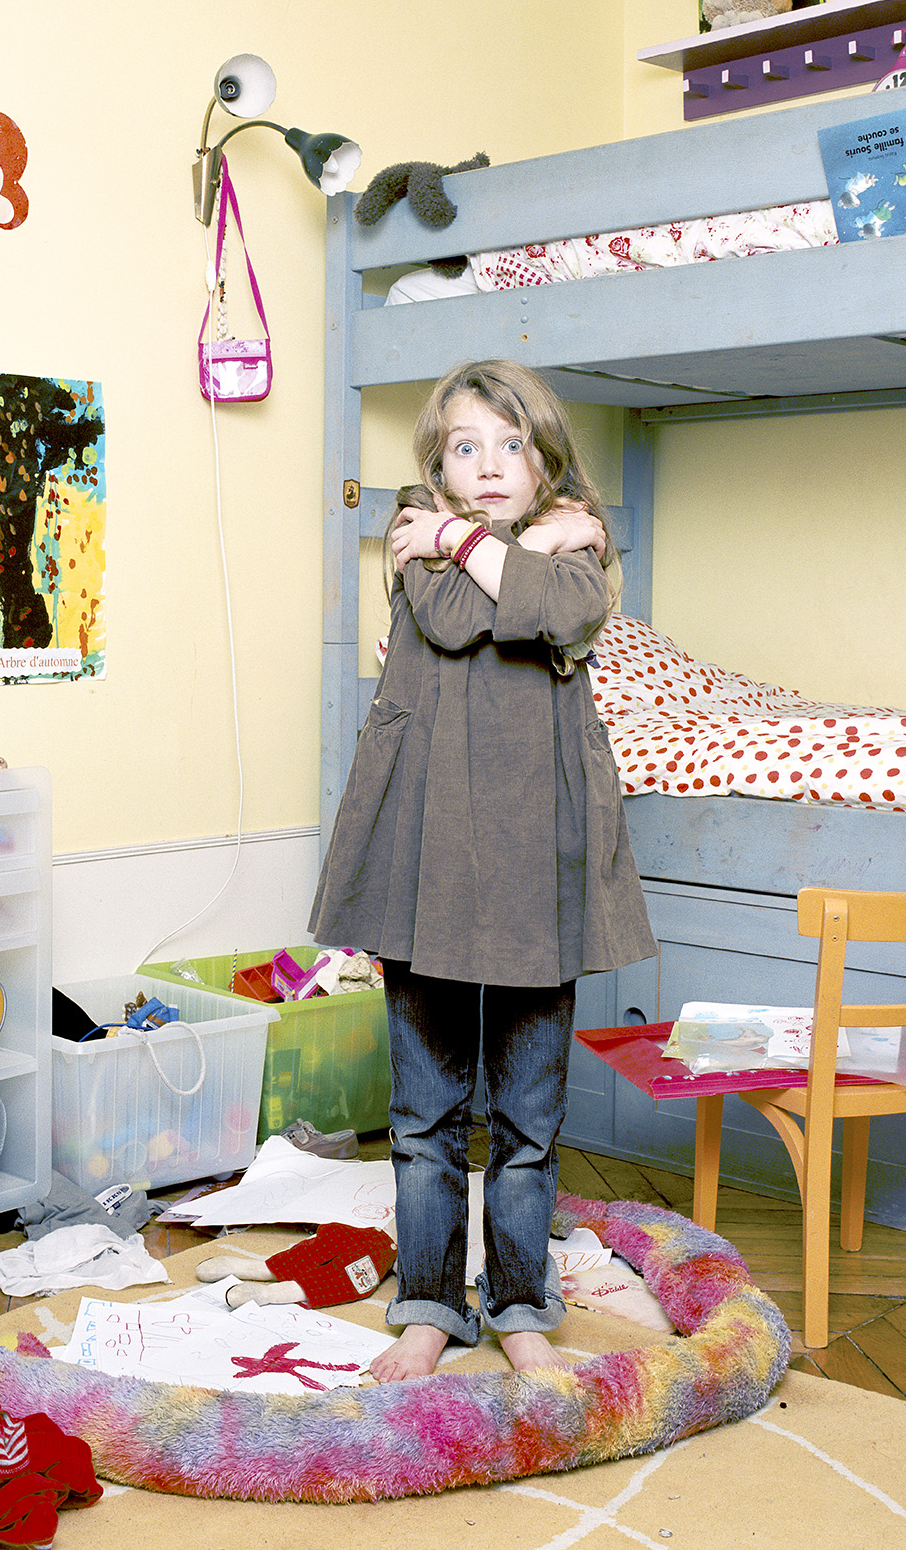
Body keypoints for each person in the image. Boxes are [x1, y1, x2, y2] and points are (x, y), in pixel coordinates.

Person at [310, 359, 656, 1383]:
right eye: (467, 448)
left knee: (526, 1122)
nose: (491, 466)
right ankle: (428, 1304)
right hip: (422, 861)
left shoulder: (574, 550)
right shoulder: (414, 532)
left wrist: (504, 548)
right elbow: (461, 617)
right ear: (438, 465)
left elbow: (560, 616)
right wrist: (501, 547)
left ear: (546, 463)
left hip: (534, 867)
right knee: (423, 1116)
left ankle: (518, 1302)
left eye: (512, 447)